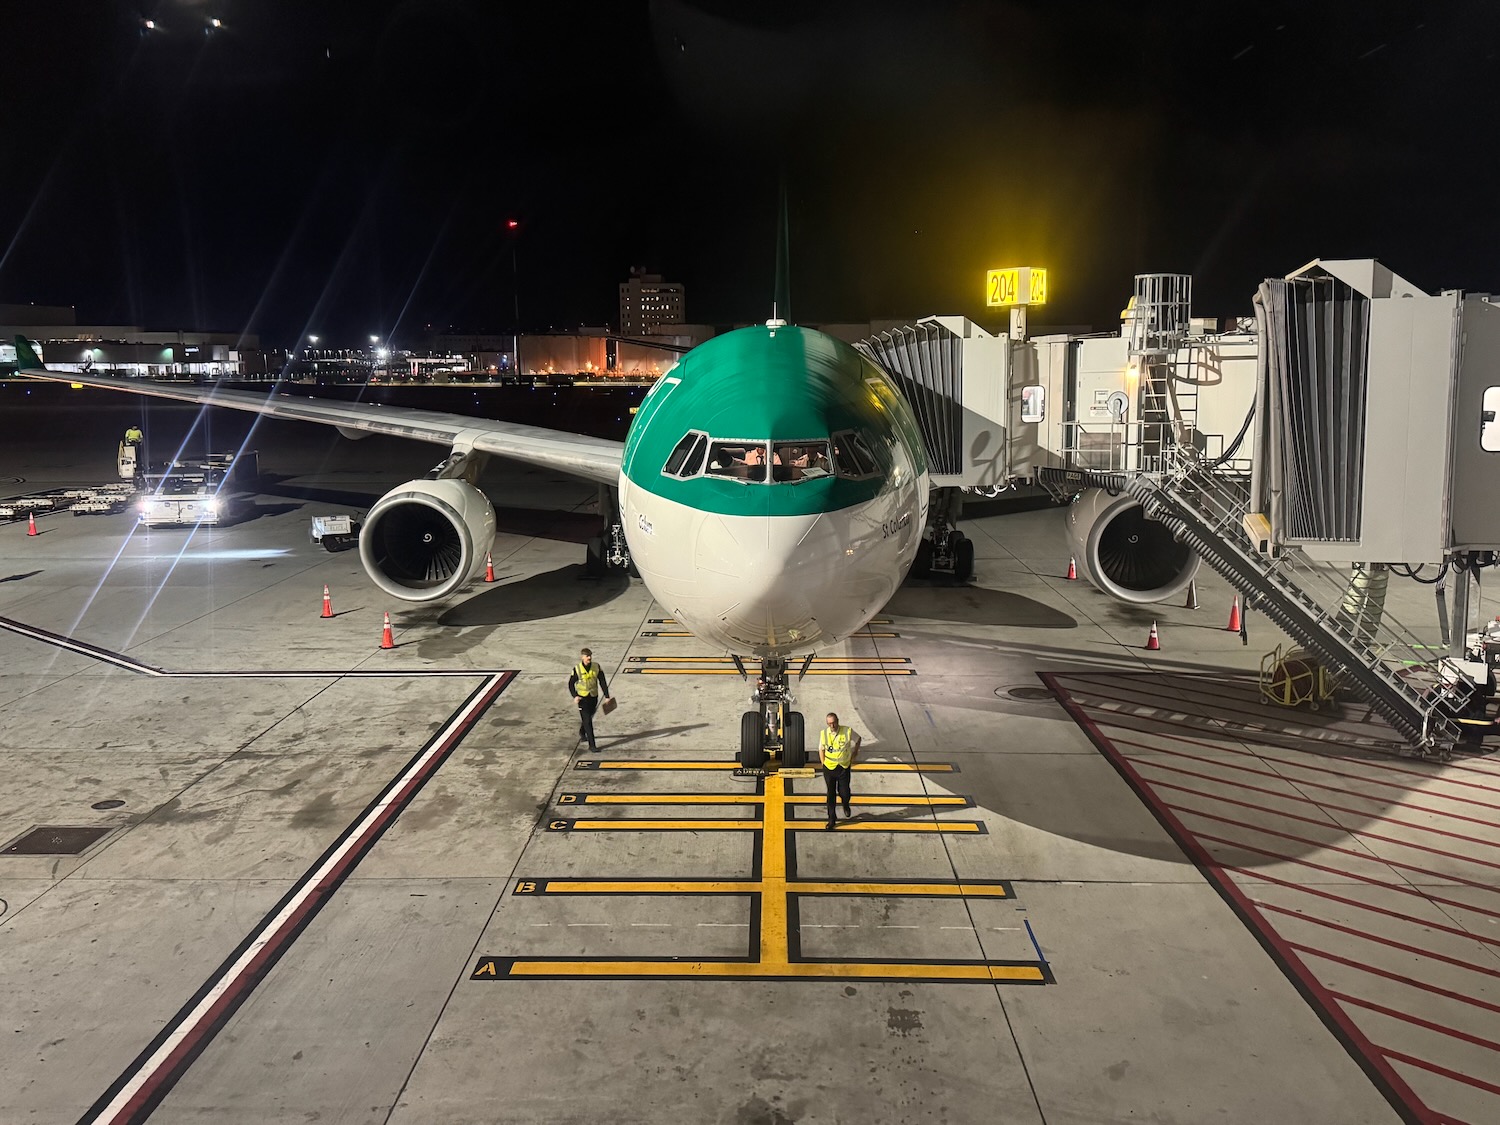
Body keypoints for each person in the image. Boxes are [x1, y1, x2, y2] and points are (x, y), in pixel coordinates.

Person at [819, 712, 861, 829]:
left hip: (843, 767)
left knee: (844, 792)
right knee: (830, 794)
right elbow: (821, 749)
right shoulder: (824, 734)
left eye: (834, 723)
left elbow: (858, 739)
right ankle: (832, 819)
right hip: (829, 768)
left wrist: (855, 752)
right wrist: (823, 764)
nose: (832, 726)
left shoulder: (847, 731)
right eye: (830, 724)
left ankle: (845, 803)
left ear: (838, 721)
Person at [568, 647, 613, 753]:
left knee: (589, 717)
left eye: (590, 656)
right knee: (588, 721)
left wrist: (607, 696)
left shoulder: (596, 666)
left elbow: (602, 681)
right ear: (582, 657)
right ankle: (592, 745)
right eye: (587, 656)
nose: (589, 658)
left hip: (593, 697)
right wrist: (575, 696)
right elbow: (570, 684)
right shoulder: (577, 669)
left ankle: (582, 732)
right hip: (582, 699)